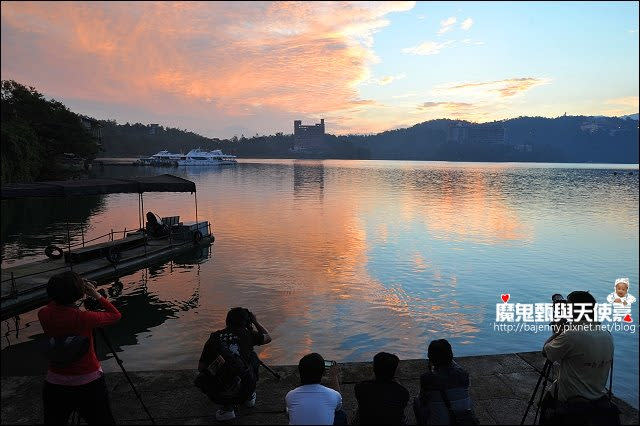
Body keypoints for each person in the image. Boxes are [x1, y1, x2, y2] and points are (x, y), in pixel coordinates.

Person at [38, 271, 122, 424]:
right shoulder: (84, 318)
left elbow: (55, 304)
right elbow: (115, 315)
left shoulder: (43, 314)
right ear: (77, 294)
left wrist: (73, 290)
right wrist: (95, 294)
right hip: (88, 382)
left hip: (55, 382)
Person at [540, 291, 616, 424]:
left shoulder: (571, 335)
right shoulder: (607, 335)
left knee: (547, 400)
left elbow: (547, 352)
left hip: (569, 402)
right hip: (598, 399)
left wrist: (559, 331)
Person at [197, 307, 272, 421]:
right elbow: (268, 337)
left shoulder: (215, 337)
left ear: (227, 320)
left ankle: (227, 409)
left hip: (218, 394)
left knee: (220, 367)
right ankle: (249, 397)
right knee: (252, 357)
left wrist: (219, 363)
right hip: (245, 388)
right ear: (247, 322)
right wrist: (256, 321)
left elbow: (201, 368)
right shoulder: (248, 335)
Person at [413, 339, 476, 425]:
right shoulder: (463, 375)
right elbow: (457, 369)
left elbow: (423, 400)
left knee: (416, 402)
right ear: (451, 355)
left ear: (430, 357)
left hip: (439, 422)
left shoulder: (427, 378)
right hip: (463, 420)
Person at [285, 353, 347, 425]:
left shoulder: (290, 395)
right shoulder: (333, 394)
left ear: (300, 372)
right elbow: (338, 407)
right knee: (340, 414)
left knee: (289, 411)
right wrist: (334, 376)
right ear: (323, 373)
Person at [353, 352, 410, 424]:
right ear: (394, 372)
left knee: (357, 410)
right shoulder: (403, 392)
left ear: (373, 369)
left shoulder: (361, 387)